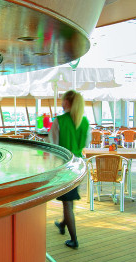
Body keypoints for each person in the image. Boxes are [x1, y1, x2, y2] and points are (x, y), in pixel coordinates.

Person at [49, 90, 90, 249]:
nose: (61, 101)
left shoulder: (59, 121)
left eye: (63, 99)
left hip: (65, 166)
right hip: (79, 165)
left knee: (67, 203)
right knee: (69, 200)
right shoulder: (84, 122)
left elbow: (54, 145)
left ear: (67, 102)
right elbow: (86, 142)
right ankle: (62, 224)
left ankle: (74, 240)